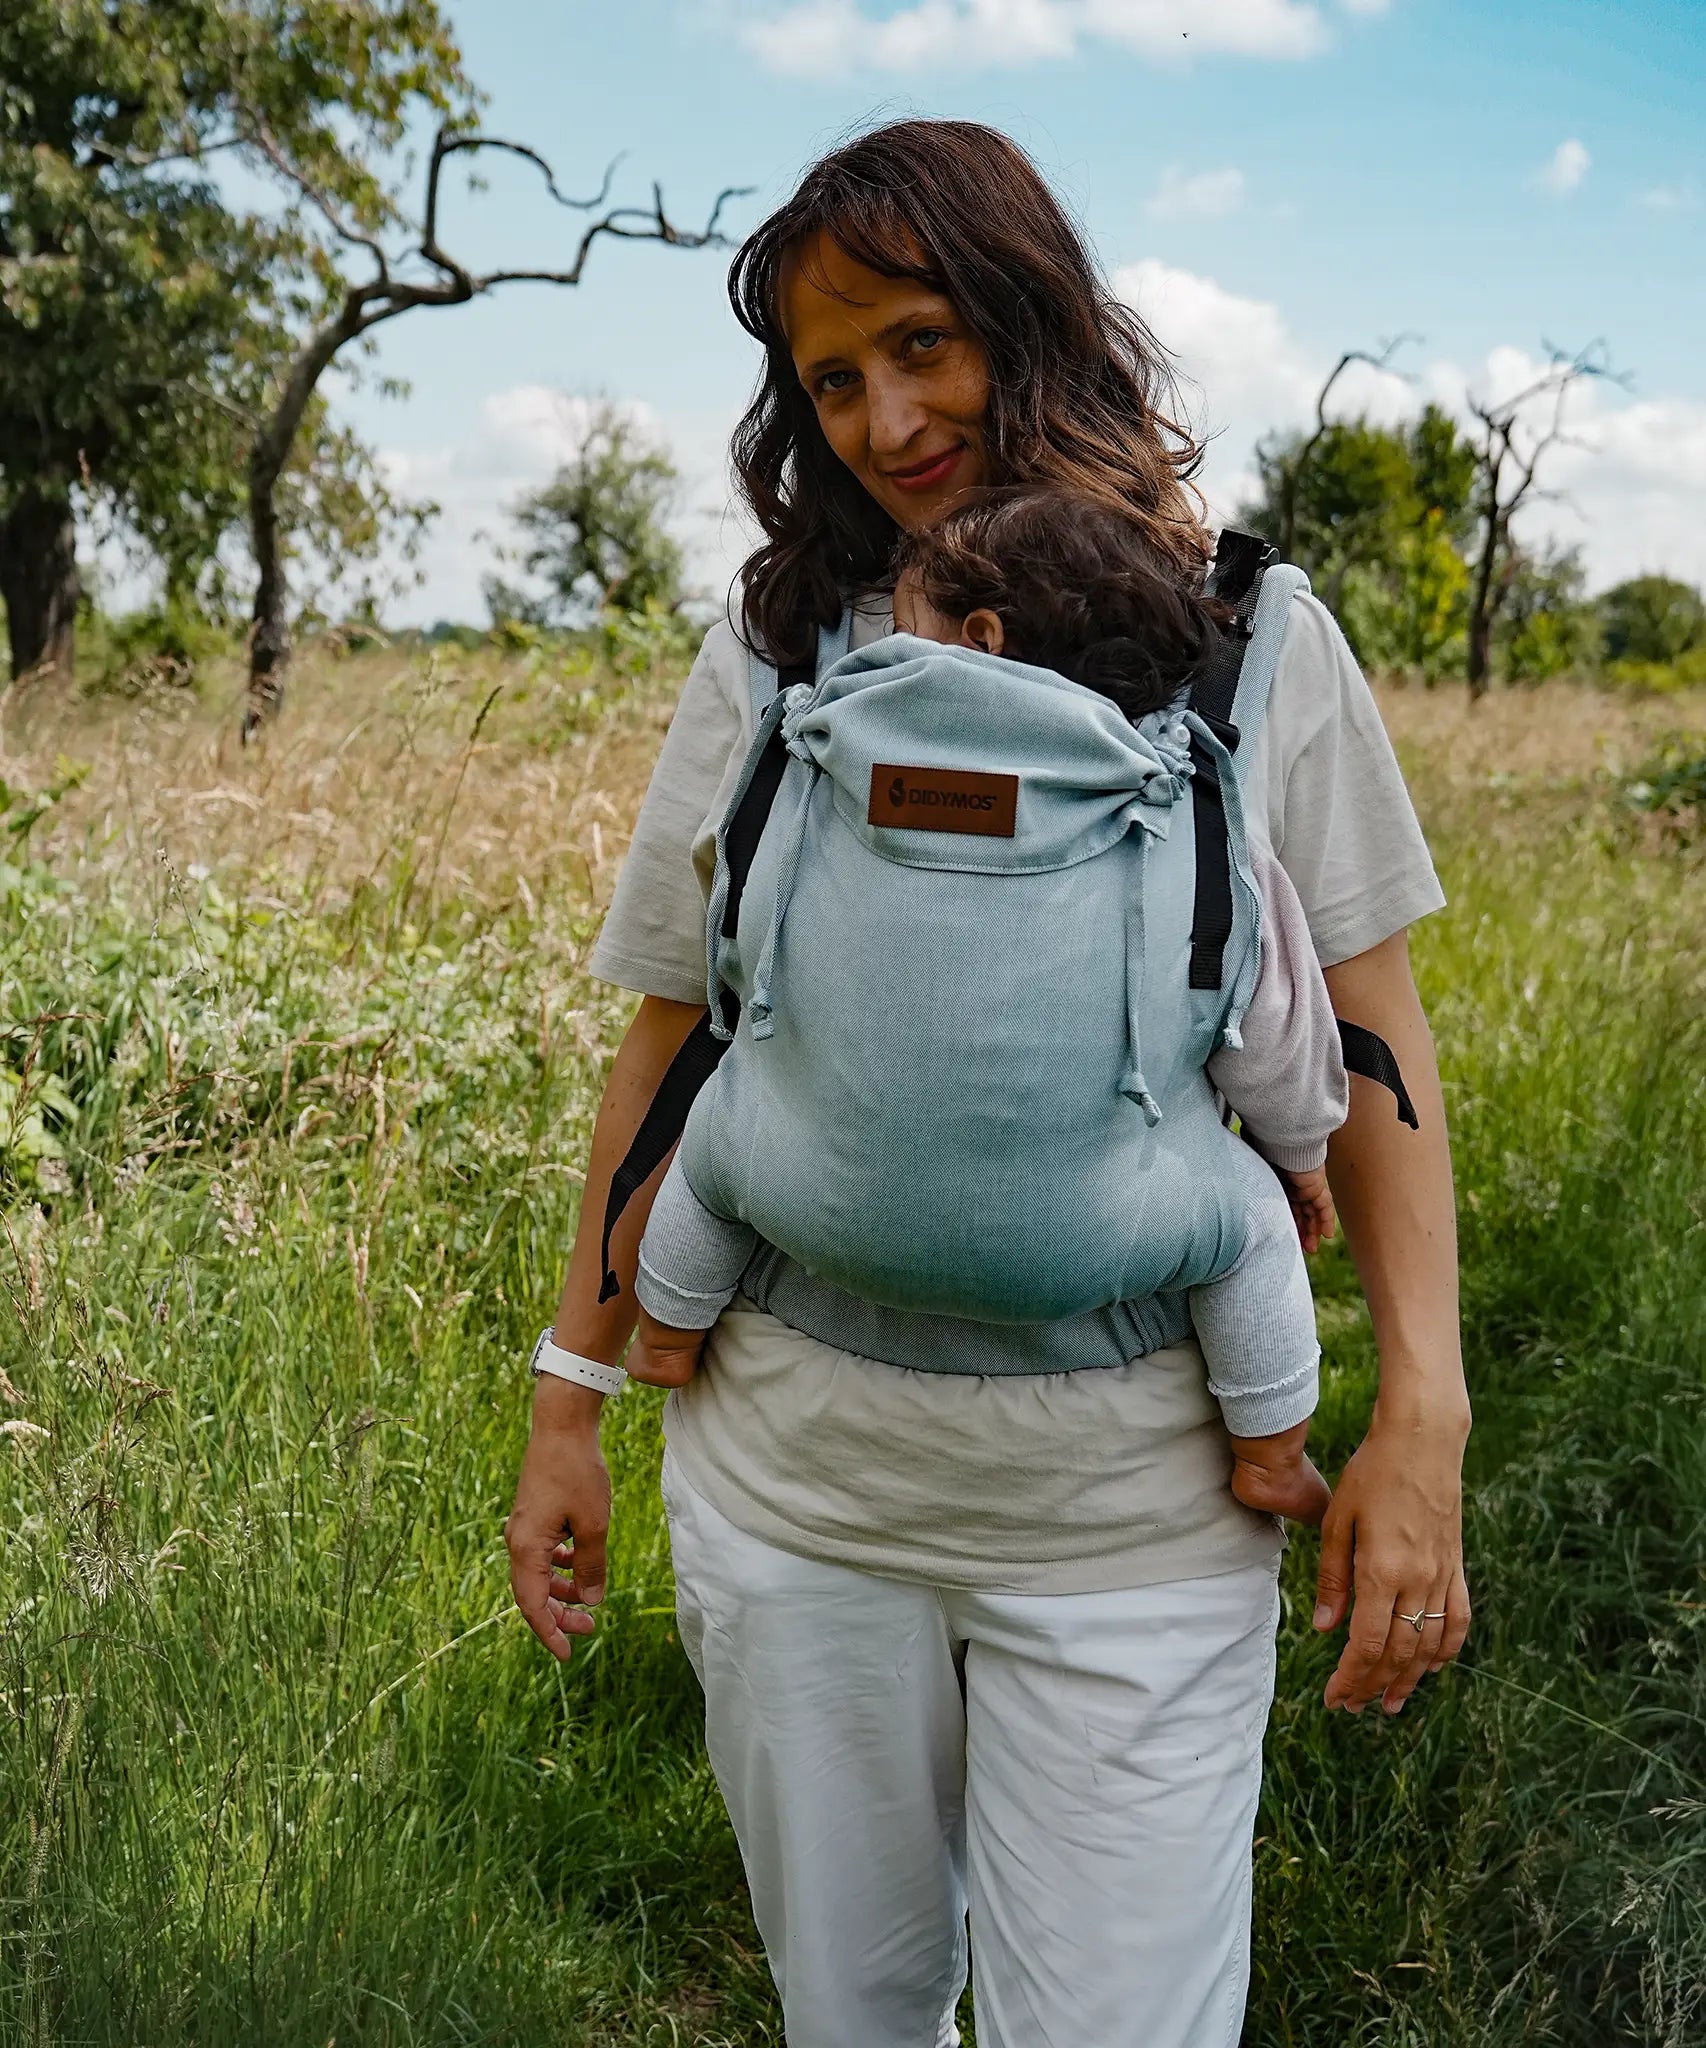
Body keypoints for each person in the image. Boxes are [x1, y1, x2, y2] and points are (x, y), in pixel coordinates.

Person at [506, 119, 1471, 2048]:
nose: (882, 416)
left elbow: (1373, 1047)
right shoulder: (787, 645)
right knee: (853, 2016)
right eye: (831, 377)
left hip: (1140, 1522)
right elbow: (673, 1036)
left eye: (922, 342)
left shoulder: (1252, 636)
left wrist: (1420, 1414)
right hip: (797, 1504)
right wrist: (570, 1397)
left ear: (1030, 316)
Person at [629, 486, 1345, 1526]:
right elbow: (1271, 1038)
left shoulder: (818, 764)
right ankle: (1270, 1448)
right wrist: (1302, 1157)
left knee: (718, 1130)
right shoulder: (1184, 803)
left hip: (802, 1205)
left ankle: (667, 1334)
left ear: (978, 634)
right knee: (1251, 1226)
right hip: (1093, 1238)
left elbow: (727, 962)